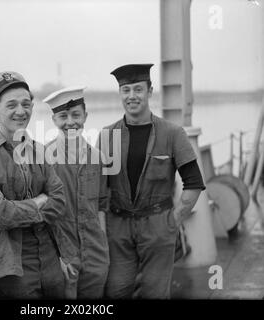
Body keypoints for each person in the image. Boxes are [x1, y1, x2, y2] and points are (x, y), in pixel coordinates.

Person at [98, 64, 206, 299]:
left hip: (158, 225)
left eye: (138, 89)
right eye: (126, 90)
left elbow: (194, 183)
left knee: (155, 293)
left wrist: (173, 221)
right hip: (118, 228)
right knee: (116, 290)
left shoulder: (173, 133)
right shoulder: (107, 135)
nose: (132, 96)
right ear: (120, 93)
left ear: (150, 91)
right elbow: (99, 188)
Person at [0, 71, 71, 299]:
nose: (21, 111)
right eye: (11, 105)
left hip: (50, 256)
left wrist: (17, 207)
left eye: (26, 104)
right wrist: (39, 201)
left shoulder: (40, 151)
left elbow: (59, 202)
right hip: (10, 263)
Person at [43, 86, 109, 299]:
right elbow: (43, 215)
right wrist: (57, 258)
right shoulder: (43, 158)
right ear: (54, 120)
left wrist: (103, 250)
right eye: (63, 116)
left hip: (95, 255)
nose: (70, 122)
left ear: (85, 117)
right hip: (63, 256)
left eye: (76, 115)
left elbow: (101, 206)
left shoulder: (98, 157)